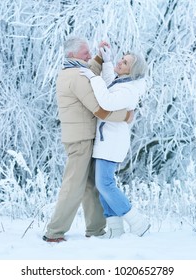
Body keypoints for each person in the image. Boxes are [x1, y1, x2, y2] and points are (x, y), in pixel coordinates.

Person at [42, 36, 134, 242]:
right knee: (74, 185)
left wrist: (101, 60)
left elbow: (88, 70)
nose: (89, 55)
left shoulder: (72, 70)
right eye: (86, 53)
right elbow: (101, 110)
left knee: (91, 184)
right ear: (73, 55)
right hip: (81, 139)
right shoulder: (76, 76)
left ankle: (96, 229)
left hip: (83, 136)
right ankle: (55, 232)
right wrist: (126, 116)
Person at [79, 44, 151, 238]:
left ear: (132, 70)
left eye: (125, 62)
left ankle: (138, 222)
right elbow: (111, 84)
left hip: (112, 142)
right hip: (106, 140)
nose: (121, 61)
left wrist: (93, 78)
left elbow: (107, 102)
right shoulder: (123, 83)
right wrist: (108, 61)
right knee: (103, 185)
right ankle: (115, 229)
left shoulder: (129, 90)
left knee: (105, 184)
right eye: (122, 58)